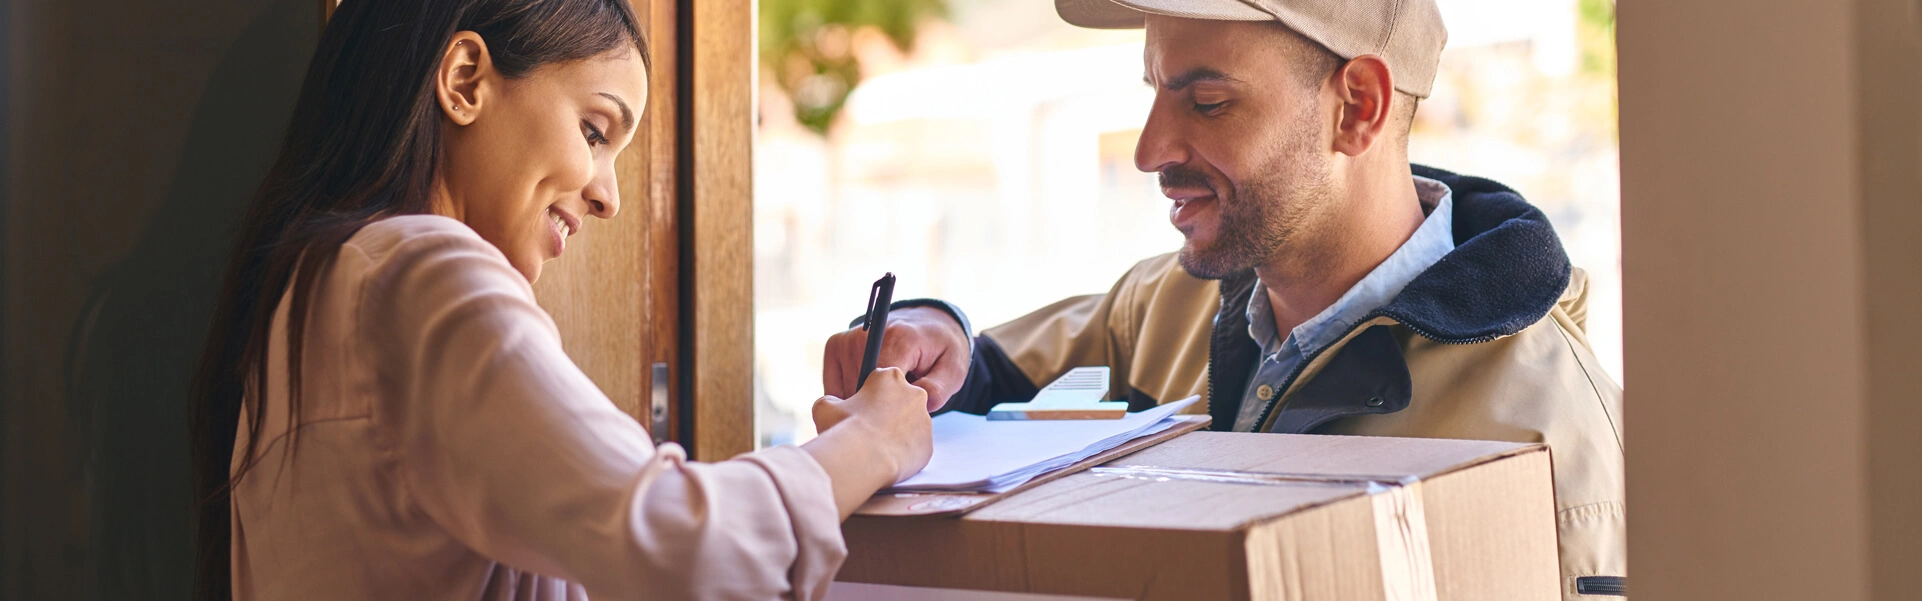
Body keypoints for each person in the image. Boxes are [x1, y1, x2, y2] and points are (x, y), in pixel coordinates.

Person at [821, 0, 1626, 597]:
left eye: (1207, 103)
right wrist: (931, 337)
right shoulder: (1155, 310)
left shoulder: (1554, 435)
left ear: (1359, 108)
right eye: (1155, 92)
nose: (1148, 150)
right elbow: (984, 376)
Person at [188, 0, 932, 599]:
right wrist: (872, 440)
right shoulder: (422, 275)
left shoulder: (314, 288)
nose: (607, 195)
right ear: (466, 79)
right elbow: (679, 545)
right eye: (593, 128)